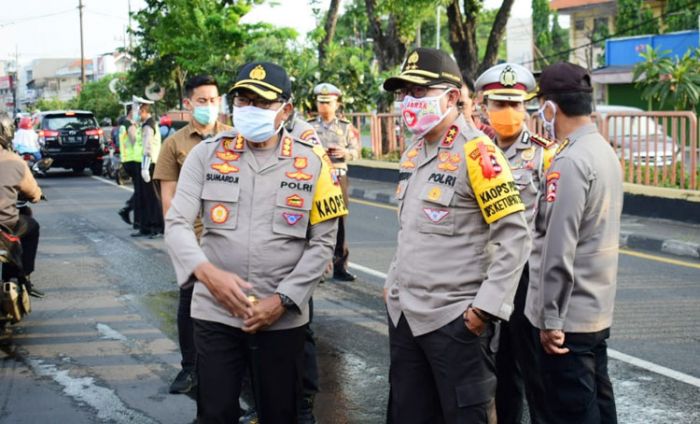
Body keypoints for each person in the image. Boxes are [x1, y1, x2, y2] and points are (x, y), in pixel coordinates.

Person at [164, 61, 347, 423]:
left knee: (280, 413)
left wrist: (282, 300)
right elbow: (177, 222)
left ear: (286, 109)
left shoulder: (312, 163)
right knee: (215, 413)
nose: (250, 110)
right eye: (243, 100)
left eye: (262, 103)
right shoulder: (207, 154)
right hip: (215, 312)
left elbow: (322, 244)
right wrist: (206, 274)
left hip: (281, 319)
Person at [382, 47, 531, 423]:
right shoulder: (413, 153)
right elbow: (411, 229)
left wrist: (483, 309)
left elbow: (515, 236)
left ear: (451, 97)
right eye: (405, 94)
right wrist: (393, 283)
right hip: (406, 317)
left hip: (455, 322)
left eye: (420, 92)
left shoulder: (479, 153)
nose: (409, 102)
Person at [525, 62, 622, 424]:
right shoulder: (603, 151)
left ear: (551, 107)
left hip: (568, 322)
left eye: (540, 106)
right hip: (596, 310)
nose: (539, 115)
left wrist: (550, 319)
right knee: (598, 402)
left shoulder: (568, 162)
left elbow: (558, 247)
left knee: (570, 412)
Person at [474, 62, 556, 424]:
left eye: (515, 104)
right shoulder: (476, 151)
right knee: (497, 363)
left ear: (528, 108)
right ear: (484, 107)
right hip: (487, 270)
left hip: (527, 274)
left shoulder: (545, 153)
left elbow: (554, 222)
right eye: (499, 104)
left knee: (533, 364)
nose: (507, 112)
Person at [154, 74, 231, 395]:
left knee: (233, 305)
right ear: (188, 104)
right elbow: (169, 199)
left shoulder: (233, 137)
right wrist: (181, 243)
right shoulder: (174, 145)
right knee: (190, 306)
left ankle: (238, 372)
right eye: (202, 101)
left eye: (214, 101)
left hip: (231, 240)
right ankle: (190, 368)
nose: (209, 107)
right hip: (196, 241)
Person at [308, 83, 361, 282]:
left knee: (340, 222)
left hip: (338, 176)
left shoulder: (346, 128)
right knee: (315, 222)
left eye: (328, 103)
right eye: (321, 102)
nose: (324, 107)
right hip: (316, 176)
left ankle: (340, 266)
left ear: (337, 104)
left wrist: (344, 153)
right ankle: (317, 269)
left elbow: (356, 152)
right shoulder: (309, 126)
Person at [0, 113, 44, 298]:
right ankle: (24, 275)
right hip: (6, 224)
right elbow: (34, 194)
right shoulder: (14, 161)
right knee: (32, 227)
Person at [137, 98, 164, 238]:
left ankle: (158, 227)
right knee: (146, 197)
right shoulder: (149, 123)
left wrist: (145, 168)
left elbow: (147, 148)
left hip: (150, 164)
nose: (136, 114)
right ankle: (146, 227)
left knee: (153, 197)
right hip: (149, 163)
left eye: (137, 111)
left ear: (142, 111)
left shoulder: (148, 125)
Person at [117, 104, 141, 229]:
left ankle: (131, 213)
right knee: (140, 191)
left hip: (128, 159)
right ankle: (128, 210)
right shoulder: (128, 124)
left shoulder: (124, 124)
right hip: (132, 159)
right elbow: (134, 140)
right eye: (138, 110)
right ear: (131, 111)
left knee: (139, 190)